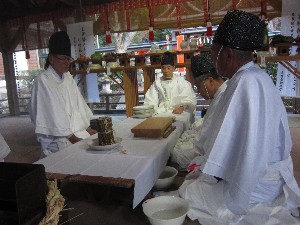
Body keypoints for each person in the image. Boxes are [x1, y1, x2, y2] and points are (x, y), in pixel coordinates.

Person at [179, 10, 300, 225]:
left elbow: (225, 143)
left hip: (259, 182)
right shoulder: (257, 75)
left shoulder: (244, 82)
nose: (213, 59)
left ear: (227, 54)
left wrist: (206, 168)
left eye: (214, 51)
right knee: (196, 178)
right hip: (270, 175)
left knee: (189, 191)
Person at [30, 31, 97, 158]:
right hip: (57, 140)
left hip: (75, 134)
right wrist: (74, 138)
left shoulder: (67, 77)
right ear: (51, 58)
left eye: (69, 59)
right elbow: (53, 116)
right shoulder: (44, 80)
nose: (67, 63)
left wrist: (85, 129)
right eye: (63, 58)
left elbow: (78, 106)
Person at [171, 52, 227, 169]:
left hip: (215, 155)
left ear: (210, 81)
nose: (198, 92)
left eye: (198, 86)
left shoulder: (222, 97)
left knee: (174, 152)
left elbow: (203, 142)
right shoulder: (222, 92)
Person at [143, 51, 196, 117]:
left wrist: (182, 107)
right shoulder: (157, 83)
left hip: (178, 111)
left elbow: (189, 99)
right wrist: (151, 110)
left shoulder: (181, 81)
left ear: (173, 68)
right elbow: (150, 99)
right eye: (164, 68)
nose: (166, 71)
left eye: (168, 68)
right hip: (161, 111)